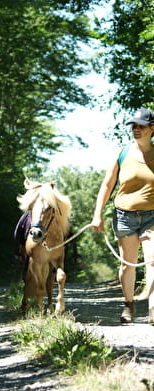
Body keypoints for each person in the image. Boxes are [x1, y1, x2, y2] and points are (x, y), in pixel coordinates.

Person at [91, 107, 154, 324]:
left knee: (152, 261)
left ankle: (153, 308)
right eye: (134, 126)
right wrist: (97, 215)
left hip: (152, 217)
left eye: (141, 126)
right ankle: (129, 304)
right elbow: (107, 186)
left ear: (152, 128)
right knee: (128, 264)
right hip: (124, 216)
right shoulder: (123, 153)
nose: (136, 130)